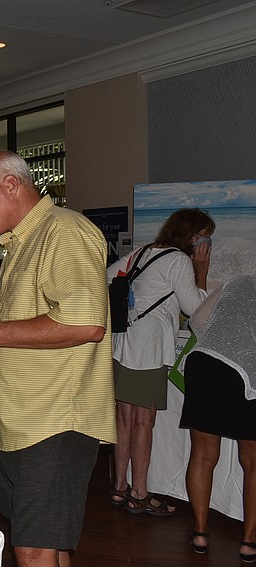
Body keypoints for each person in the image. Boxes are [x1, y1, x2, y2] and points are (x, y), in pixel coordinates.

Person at [0, 150, 116, 567]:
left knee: (32, 550)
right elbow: (26, 328)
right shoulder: (20, 243)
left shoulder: (63, 232)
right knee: (50, 545)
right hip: (21, 421)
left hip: (53, 422)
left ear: (12, 185)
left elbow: (86, 324)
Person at [106, 208, 213, 517]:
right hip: (149, 349)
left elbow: (105, 276)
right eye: (206, 236)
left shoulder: (142, 251)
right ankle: (139, 494)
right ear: (193, 236)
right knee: (143, 421)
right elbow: (196, 309)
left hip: (124, 342)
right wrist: (201, 270)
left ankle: (120, 487)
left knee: (124, 418)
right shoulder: (179, 260)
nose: (208, 242)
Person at [178, 275, 256, 560]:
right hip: (250, 372)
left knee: (202, 455)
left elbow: (196, 321)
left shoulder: (238, 282)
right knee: (253, 463)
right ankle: (249, 541)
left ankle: (200, 533)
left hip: (207, 363)